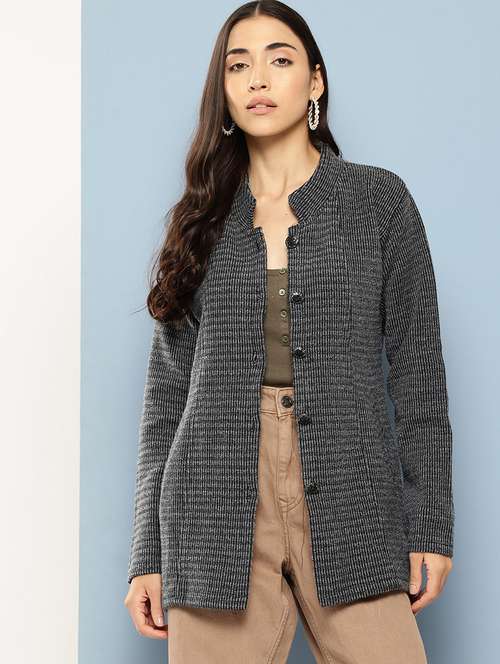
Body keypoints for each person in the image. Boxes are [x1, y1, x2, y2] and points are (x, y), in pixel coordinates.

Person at [124, 1, 454, 662]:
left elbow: (419, 375)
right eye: (238, 65)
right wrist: (147, 554)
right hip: (212, 503)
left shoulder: (378, 202)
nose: (258, 79)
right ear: (222, 92)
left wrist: (431, 525)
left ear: (315, 81)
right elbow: (166, 401)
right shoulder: (199, 220)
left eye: (279, 60)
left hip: (352, 487)